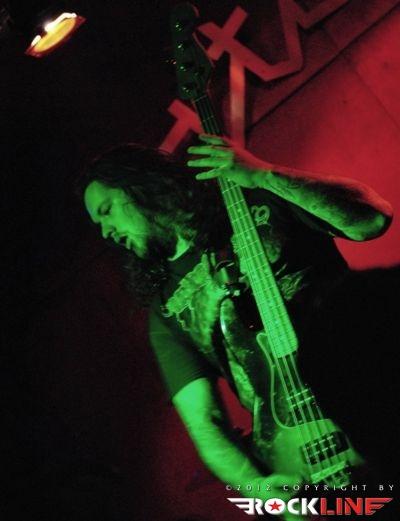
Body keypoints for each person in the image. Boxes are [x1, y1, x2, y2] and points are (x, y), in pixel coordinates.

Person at [81, 134, 393, 501]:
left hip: (378, 387)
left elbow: (372, 219)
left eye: (107, 210)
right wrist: (257, 489)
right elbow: (204, 424)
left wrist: (264, 175)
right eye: (98, 226)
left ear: (141, 186)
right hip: (305, 462)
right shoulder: (165, 313)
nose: (106, 232)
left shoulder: (256, 200)